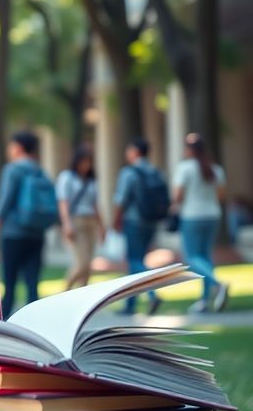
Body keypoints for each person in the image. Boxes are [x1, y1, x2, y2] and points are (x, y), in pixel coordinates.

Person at [0, 131, 52, 318]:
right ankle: (35, 325)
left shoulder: (13, 170)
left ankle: (2, 326)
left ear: (19, 147)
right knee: (33, 283)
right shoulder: (40, 170)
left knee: (10, 283)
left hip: (13, 233)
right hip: (36, 233)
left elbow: (5, 200)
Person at [172, 133, 228, 313]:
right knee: (205, 257)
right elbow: (221, 196)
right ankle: (204, 301)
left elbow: (178, 196)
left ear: (189, 150)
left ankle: (218, 284)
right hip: (212, 215)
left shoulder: (185, 168)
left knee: (191, 257)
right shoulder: (215, 169)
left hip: (192, 216)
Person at [112, 137, 163, 315]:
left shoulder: (129, 172)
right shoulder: (155, 171)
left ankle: (152, 294)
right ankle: (130, 305)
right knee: (137, 262)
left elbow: (121, 200)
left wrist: (115, 220)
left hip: (134, 221)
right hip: (152, 221)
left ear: (134, 151)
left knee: (135, 261)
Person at [56, 144, 104, 290]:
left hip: (91, 222)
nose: (86, 165)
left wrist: (102, 226)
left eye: (89, 162)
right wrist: (66, 224)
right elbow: (63, 202)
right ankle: (65, 292)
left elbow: (95, 205)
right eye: (84, 161)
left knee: (88, 265)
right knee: (81, 263)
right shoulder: (67, 178)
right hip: (76, 221)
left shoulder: (91, 181)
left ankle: (82, 295)